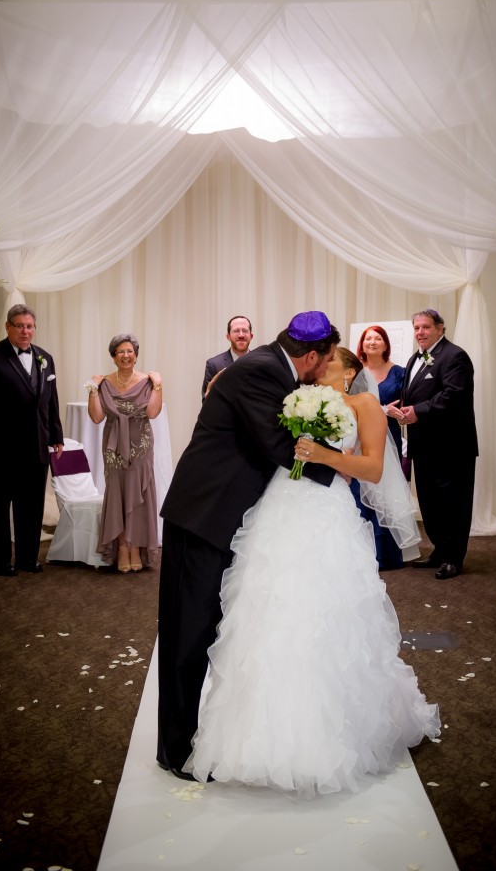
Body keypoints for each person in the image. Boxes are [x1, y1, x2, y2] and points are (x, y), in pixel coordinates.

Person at [185, 345, 440, 796]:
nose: (321, 370)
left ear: (350, 372)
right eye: (319, 364)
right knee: (267, 605)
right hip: (280, 504)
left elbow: (374, 469)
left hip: (327, 510)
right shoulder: (294, 394)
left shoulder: (365, 406)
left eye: (331, 365)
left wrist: (326, 458)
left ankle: (328, 732)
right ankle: (255, 734)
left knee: (320, 608)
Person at [157, 311, 340, 780]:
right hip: (203, 515)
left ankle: (193, 736)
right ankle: (174, 751)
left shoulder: (272, 367)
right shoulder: (263, 370)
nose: (328, 369)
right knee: (188, 632)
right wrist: (341, 468)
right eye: (328, 360)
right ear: (312, 355)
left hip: (222, 515)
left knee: (207, 629)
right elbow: (278, 445)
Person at [0, 304, 64, 576]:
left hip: (36, 446)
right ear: (8, 327)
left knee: (31, 506)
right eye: (20, 325)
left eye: (29, 326)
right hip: (0, 448)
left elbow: (50, 401)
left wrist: (56, 434)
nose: (25, 331)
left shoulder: (45, 357)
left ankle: (26, 558)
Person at [391, 309, 478, 580]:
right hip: (423, 444)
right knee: (430, 503)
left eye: (426, 327)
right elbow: (413, 394)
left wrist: (418, 410)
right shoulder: (414, 358)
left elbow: (454, 394)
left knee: (453, 503)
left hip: (451, 446)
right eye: (416, 328)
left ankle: (454, 558)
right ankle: (440, 551)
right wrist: (402, 410)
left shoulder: (455, 356)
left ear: (440, 328)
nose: (420, 332)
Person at [87, 334, 163, 573]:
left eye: (130, 351)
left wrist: (159, 384)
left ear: (136, 355)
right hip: (113, 446)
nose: (126, 355)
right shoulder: (104, 382)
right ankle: (121, 547)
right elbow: (97, 417)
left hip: (140, 444)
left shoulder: (148, 381)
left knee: (139, 493)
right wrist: (93, 388)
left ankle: (136, 547)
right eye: (121, 351)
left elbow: (152, 413)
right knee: (117, 493)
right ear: (113, 356)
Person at [356, 325, 409, 568]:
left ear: (386, 344)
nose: (373, 342)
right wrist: (382, 409)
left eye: (378, 338)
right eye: (369, 339)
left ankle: (387, 550)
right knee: (362, 489)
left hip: (390, 438)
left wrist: (401, 413)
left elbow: (408, 402)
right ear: (362, 344)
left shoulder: (399, 372)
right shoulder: (354, 371)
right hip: (360, 437)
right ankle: (364, 549)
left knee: (386, 489)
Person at [201, 315, 253, 398]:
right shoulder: (213, 365)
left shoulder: (262, 364)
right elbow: (206, 402)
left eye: (245, 330)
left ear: (251, 336)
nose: (241, 335)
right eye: (236, 331)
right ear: (228, 337)